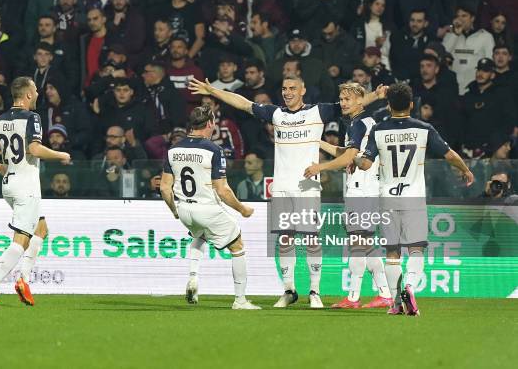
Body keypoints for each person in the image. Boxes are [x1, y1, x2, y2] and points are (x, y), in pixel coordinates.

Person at [188, 75, 387, 308]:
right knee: (285, 238)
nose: (288, 92)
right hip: (281, 187)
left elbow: (353, 103)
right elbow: (242, 103)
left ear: (303, 90)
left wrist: (375, 96)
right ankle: (289, 289)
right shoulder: (276, 114)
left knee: (312, 239)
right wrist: (212, 91)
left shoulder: (318, 112)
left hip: (307, 186)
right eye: (284, 88)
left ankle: (315, 292)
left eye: (293, 88)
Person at [356, 83, 474, 316]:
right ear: (411, 104)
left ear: (388, 105)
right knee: (416, 248)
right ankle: (409, 287)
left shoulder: (378, 130)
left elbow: (366, 164)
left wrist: (355, 159)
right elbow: (449, 154)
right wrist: (465, 169)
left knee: (392, 251)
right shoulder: (424, 128)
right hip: (413, 197)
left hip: (387, 197)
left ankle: (396, 304)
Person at [0, 77, 70, 308]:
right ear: (27, 94)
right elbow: (34, 148)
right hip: (26, 187)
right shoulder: (32, 117)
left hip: (9, 183)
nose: (37, 93)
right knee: (21, 240)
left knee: (41, 229)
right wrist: (61, 155)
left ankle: (23, 280)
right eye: (35, 90)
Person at [159, 105, 260, 310]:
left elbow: (164, 188)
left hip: (185, 209)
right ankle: (240, 300)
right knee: (237, 246)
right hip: (207, 209)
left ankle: (193, 277)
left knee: (200, 235)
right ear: (210, 124)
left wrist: (174, 210)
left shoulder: (173, 150)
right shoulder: (213, 150)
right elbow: (222, 191)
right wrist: (242, 209)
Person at [304, 83, 393, 309]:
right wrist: (316, 141)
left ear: (360, 100)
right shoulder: (363, 122)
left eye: (348, 99)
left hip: (361, 191)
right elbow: (346, 153)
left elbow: (347, 159)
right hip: (367, 189)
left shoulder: (358, 123)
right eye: (341, 98)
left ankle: (353, 297)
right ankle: (385, 293)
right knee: (366, 245)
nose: (343, 103)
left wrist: (320, 168)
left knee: (356, 244)